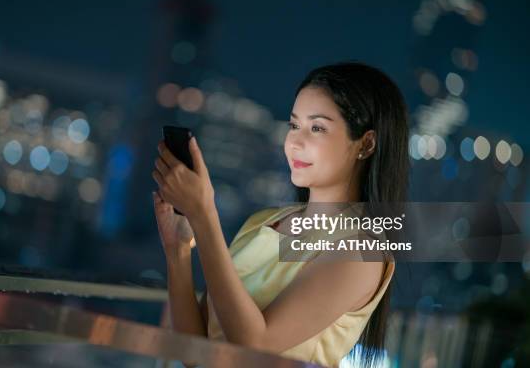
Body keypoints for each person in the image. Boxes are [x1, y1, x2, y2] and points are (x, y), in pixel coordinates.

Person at [152, 61, 410, 367]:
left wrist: (204, 214)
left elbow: (255, 344)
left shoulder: (359, 251)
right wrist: (178, 249)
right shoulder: (264, 222)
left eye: (317, 128)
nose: (295, 142)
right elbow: (195, 352)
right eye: (293, 125)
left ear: (366, 144)